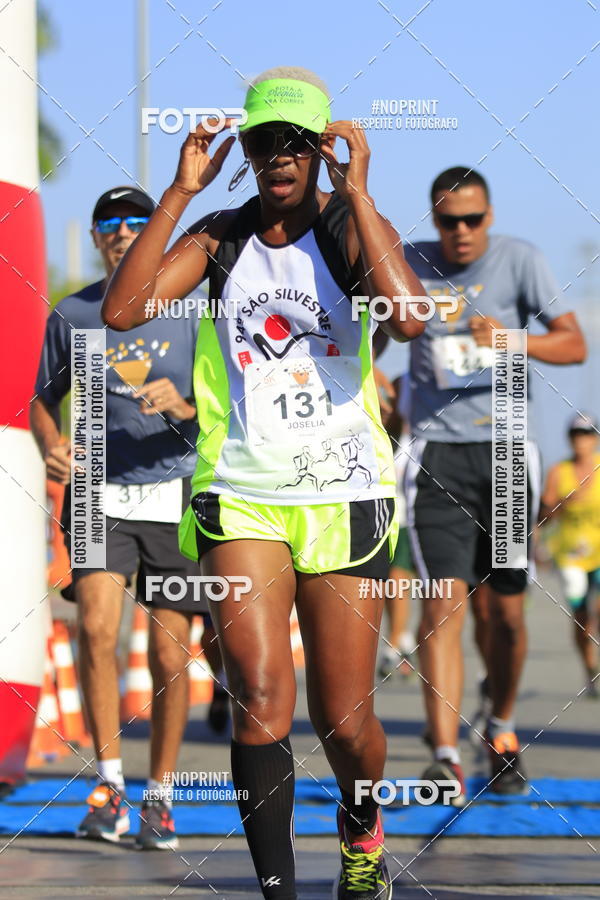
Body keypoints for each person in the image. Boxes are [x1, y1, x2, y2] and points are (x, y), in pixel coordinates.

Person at [101, 66, 425, 900]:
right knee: (259, 691)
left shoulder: (347, 229)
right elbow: (123, 311)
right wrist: (177, 192)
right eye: (265, 140)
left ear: (319, 149)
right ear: (245, 150)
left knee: (346, 721)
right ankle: (279, 890)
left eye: (296, 141)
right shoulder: (219, 236)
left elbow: (413, 316)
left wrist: (360, 195)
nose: (279, 155)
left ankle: (361, 831)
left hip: (344, 492)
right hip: (243, 490)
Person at [31, 185, 224, 849]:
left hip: (172, 494)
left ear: (156, 235)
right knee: (93, 628)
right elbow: (43, 399)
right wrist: (51, 443)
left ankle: (161, 796)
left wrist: (186, 406)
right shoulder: (75, 312)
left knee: (170, 653)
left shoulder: (193, 314)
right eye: (107, 222)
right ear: (94, 238)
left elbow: (225, 414)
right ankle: (109, 784)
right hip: (94, 493)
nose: (120, 231)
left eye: (135, 222)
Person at [396, 166, 586, 802]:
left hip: (505, 454)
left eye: (472, 219)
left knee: (503, 614)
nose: (461, 232)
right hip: (436, 456)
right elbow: (364, 332)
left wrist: (511, 339)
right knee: (442, 605)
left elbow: (574, 344)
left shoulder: (519, 260)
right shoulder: (408, 262)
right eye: (449, 221)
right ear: (435, 220)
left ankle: (500, 728)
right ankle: (444, 755)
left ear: (490, 216)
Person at [540, 413, 600, 696]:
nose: (582, 441)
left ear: (596, 439)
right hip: (569, 555)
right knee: (582, 616)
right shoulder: (558, 472)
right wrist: (562, 503)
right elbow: (543, 517)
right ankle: (590, 668)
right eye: (577, 435)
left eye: (587, 435)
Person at [378, 374, 417, 679]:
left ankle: (395, 643)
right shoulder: (388, 435)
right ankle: (402, 638)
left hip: (412, 518)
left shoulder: (426, 435)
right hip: (387, 516)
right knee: (389, 584)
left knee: (398, 579)